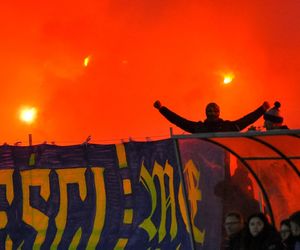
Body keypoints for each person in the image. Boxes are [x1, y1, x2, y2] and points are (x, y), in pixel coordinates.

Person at [153, 100, 270, 133]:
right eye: (210, 111)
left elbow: (179, 121)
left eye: (214, 111)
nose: (212, 113)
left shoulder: (199, 128)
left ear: (218, 113)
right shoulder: (228, 127)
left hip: (221, 169)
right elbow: (179, 121)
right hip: (204, 168)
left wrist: (162, 109)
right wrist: (162, 109)